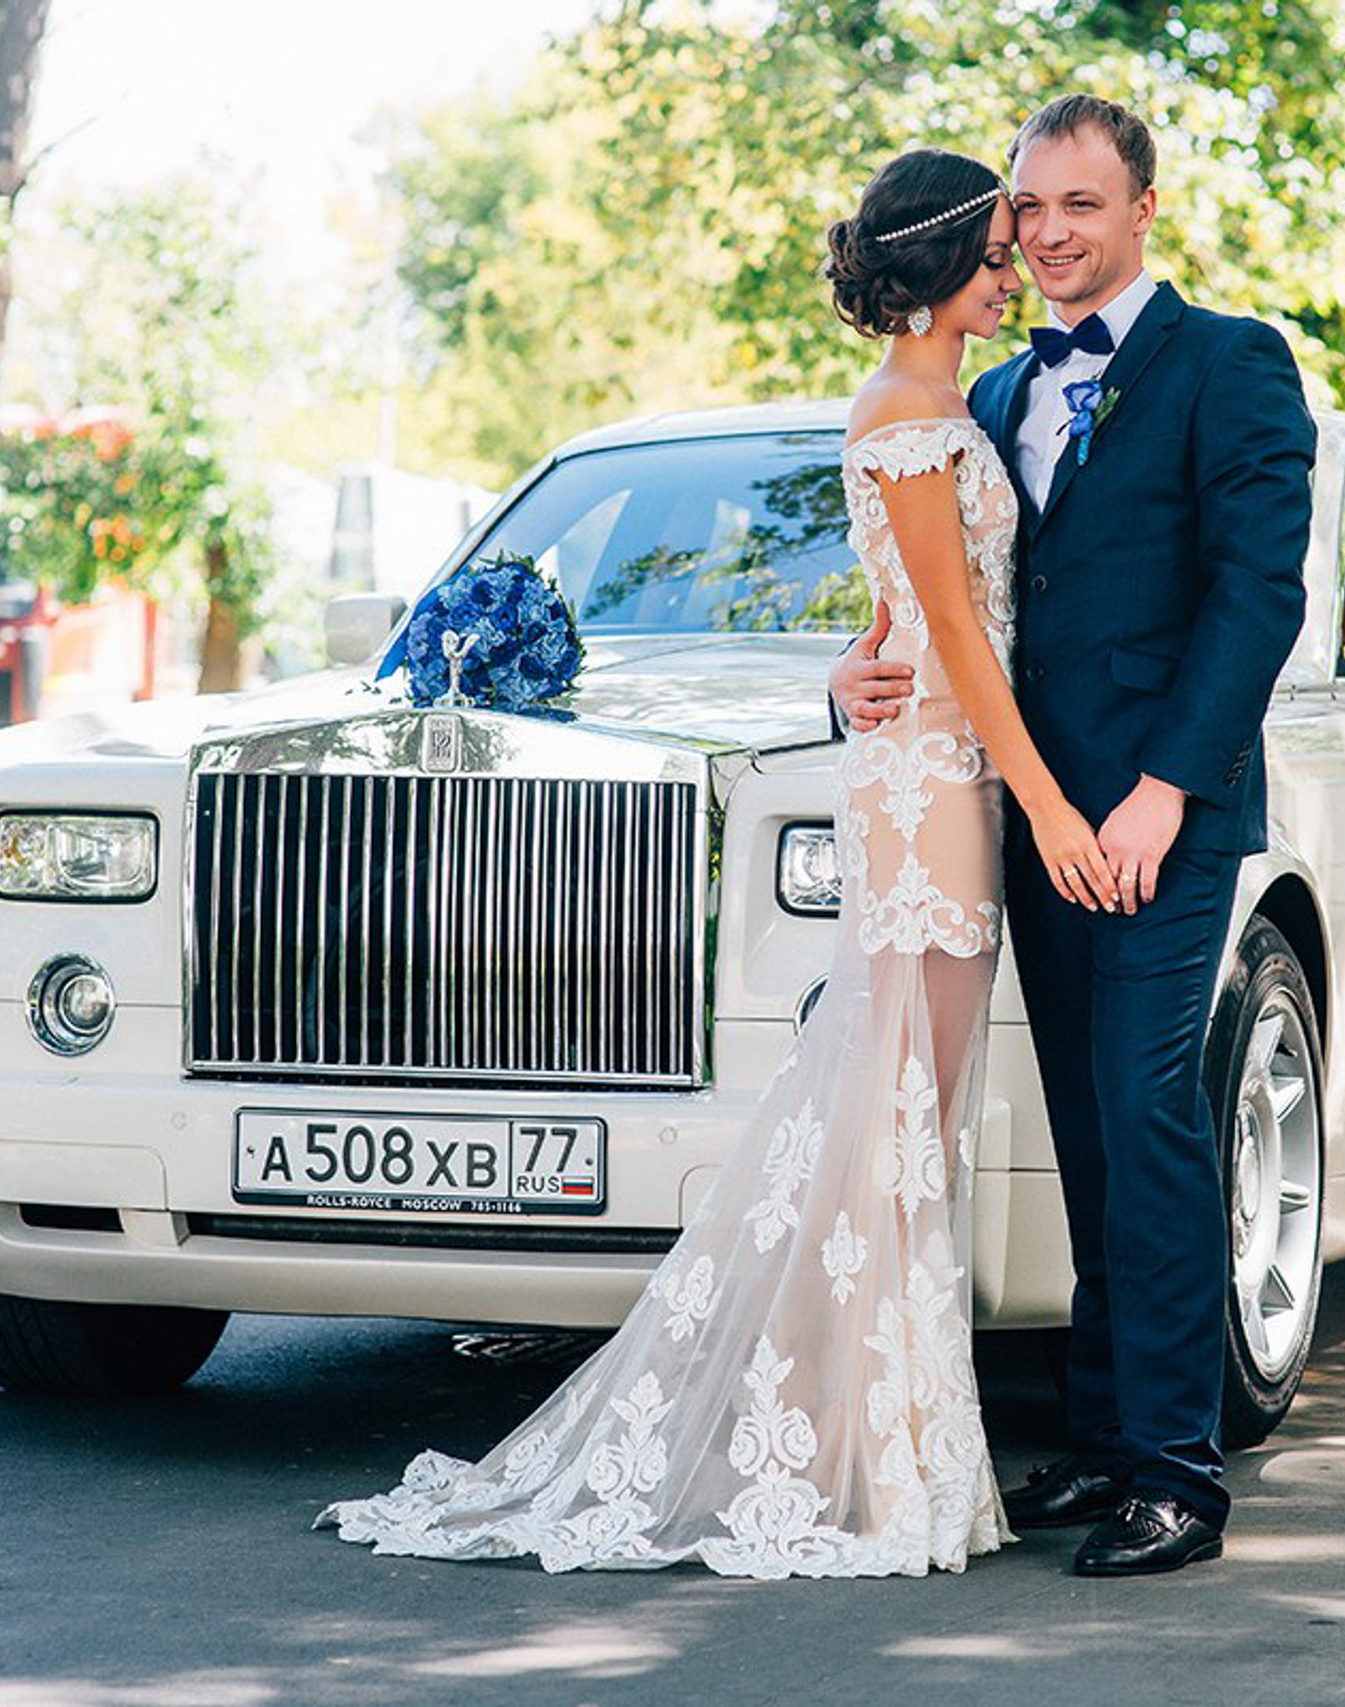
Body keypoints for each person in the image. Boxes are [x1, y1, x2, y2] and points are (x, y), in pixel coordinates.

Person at [313, 146, 1117, 1578]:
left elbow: (902, 626)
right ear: (942, 271)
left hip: (929, 771)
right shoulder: (912, 424)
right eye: (999, 249)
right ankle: (841, 1454)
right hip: (935, 789)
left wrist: (858, 677)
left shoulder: (930, 405)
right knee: (893, 1122)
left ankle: (860, 1438)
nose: (1018, 269)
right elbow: (965, 651)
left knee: (900, 1127)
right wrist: (1048, 803)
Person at [828, 94, 1315, 1577]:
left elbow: (1256, 593)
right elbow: (946, 610)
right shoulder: (988, 400)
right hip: (1027, 823)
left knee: (1148, 1109)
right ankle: (1105, 1442)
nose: (1044, 235)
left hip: (1159, 818)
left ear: (1142, 209)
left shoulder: (1231, 363)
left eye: (1077, 207)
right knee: (1091, 1134)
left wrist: (1165, 788)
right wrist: (850, 675)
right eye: (1027, 210)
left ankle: (1176, 1469)